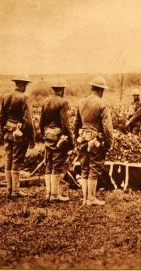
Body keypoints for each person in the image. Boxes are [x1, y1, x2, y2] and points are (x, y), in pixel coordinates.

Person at [74, 76, 114, 207]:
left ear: (92, 88)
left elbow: (76, 123)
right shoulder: (102, 104)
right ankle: (91, 198)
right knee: (94, 168)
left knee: (84, 168)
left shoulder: (81, 102)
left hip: (83, 140)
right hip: (96, 141)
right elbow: (107, 127)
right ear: (101, 90)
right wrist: (109, 143)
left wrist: (77, 139)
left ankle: (85, 199)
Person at [0, 75, 35, 198]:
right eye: (25, 84)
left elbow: (2, 117)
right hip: (19, 133)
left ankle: (9, 189)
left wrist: (3, 131)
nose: (26, 87)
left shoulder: (6, 96)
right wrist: (32, 138)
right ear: (22, 84)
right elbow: (28, 120)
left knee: (8, 159)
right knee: (17, 160)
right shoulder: (24, 97)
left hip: (7, 132)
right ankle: (15, 191)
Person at [39, 79, 74, 202]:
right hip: (59, 137)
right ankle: (54, 195)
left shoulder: (46, 101)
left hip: (48, 135)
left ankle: (48, 193)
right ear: (63, 90)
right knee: (57, 165)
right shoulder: (63, 102)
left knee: (48, 164)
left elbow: (41, 122)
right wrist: (71, 140)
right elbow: (66, 124)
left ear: (53, 89)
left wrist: (45, 135)